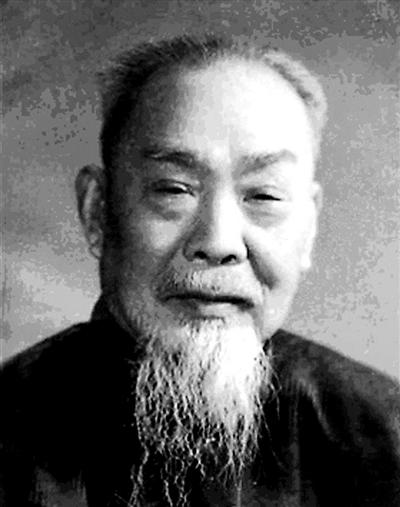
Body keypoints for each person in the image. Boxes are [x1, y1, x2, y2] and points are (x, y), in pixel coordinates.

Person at [1, 33, 399, 507]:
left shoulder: (381, 433)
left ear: (309, 229)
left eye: (264, 196)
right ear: (98, 211)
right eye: (174, 189)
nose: (219, 242)